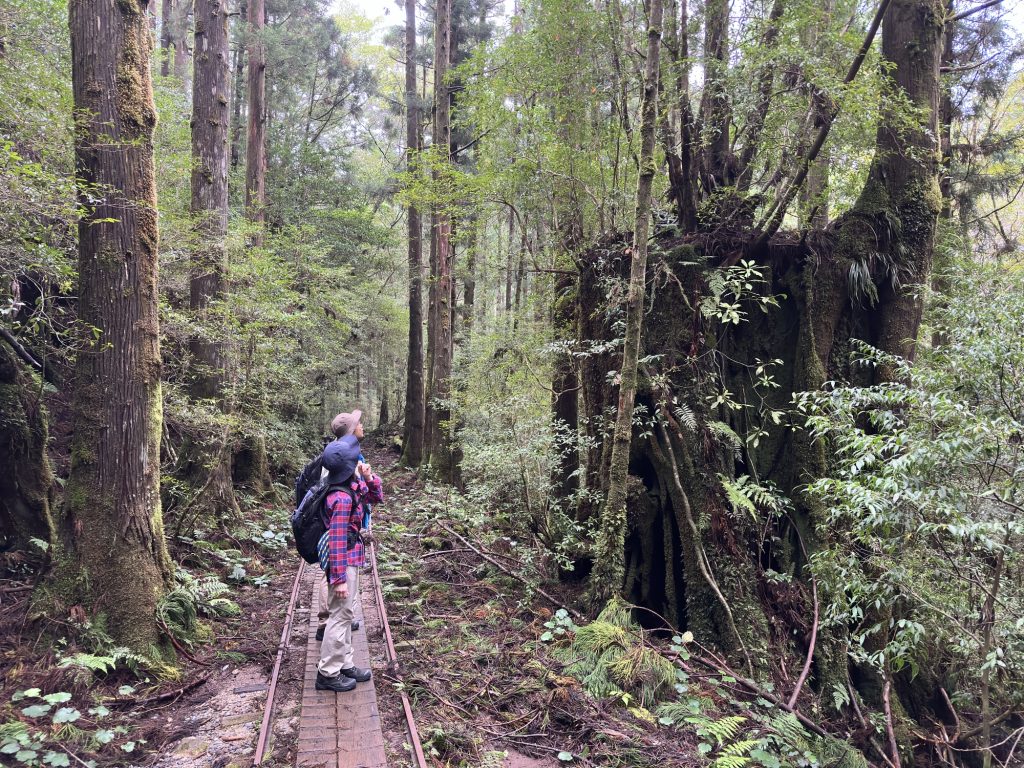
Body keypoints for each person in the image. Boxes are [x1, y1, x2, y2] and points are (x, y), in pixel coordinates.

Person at [315, 434, 384, 693]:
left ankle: (345, 663)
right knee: (340, 615)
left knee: (345, 614)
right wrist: (339, 578)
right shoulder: (341, 499)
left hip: (352, 558)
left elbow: (376, 498)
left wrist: (368, 477)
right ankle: (328, 673)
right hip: (344, 563)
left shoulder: (351, 487)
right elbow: (336, 541)